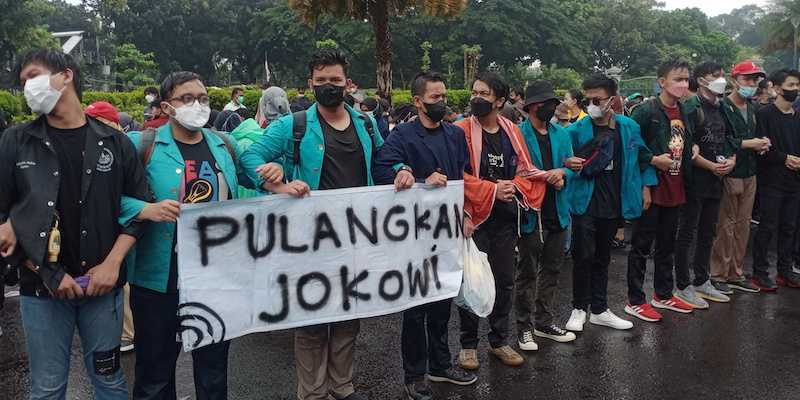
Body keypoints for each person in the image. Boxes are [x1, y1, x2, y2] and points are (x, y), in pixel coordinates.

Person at [0, 48, 152, 400]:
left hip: (104, 289)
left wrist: (112, 264)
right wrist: (47, 272)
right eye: (22, 82)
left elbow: (139, 209)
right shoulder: (16, 141)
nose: (27, 87)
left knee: (110, 381)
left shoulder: (114, 142)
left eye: (33, 76)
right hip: (41, 291)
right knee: (48, 387)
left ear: (65, 75)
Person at [241, 48, 382, 400]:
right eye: (321, 81)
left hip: (355, 238)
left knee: (349, 314)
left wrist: (403, 172)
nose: (329, 86)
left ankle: (342, 385)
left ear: (348, 84)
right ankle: (313, 391)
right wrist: (274, 181)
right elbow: (248, 155)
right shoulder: (294, 124)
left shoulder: (366, 123)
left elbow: (384, 160)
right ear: (310, 84)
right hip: (310, 241)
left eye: (335, 80)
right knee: (312, 321)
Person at [120, 71, 260, 400]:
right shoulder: (143, 145)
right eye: (187, 98)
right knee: (155, 373)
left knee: (213, 371)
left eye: (203, 98)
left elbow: (256, 177)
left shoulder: (224, 145)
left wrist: (277, 178)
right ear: (167, 107)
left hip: (215, 276)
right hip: (159, 279)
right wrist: (145, 210)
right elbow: (107, 196)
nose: (197, 105)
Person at [373, 71, 477, 400]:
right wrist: (408, 173)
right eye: (435, 98)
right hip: (413, 237)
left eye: (444, 96)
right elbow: (381, 169)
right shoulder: (402, 135)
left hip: (447, 233)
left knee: (442, 302)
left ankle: (440, 365)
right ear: (418, 101)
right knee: (415, 307)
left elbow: (463, 178)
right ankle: (414, 373)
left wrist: (466, 213)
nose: (442, 102)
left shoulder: (455, 135)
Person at [454, 72, 548, 371]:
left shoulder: (511, 131)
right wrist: (491, 189)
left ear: (501, 101)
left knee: (504, 282)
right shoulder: (461, 130)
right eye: (474, 92)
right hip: (474, 219)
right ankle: (468, 346)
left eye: (484, 93)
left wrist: (514, 186)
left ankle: (499, 341)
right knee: (472, 282)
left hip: (505, 220)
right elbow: (456, 174)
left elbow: (524, 169)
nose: (476, 98)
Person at [563, 74, 656, 331]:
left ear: (611, 100)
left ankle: (600, 309)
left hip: (615, 201)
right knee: (583, 256)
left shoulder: (628, 127)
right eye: (586, 99)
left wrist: (647, 188)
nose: (591, 104)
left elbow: (644, 158)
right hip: (585, 201)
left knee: (603, 257)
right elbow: (561, 164)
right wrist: (567, 166)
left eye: (597, 99)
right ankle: (579, 308)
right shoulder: (574, 131)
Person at [625, 60, 699, 323]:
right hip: (652, 187)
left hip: (676, 187)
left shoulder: (685, 110)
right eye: (677, 79)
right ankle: (635, 300)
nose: (682, 84)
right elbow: (630, 143)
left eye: (686, 79)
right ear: (662, 82)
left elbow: (686, 140)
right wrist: (652, 163)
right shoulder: (646, 110)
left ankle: (663, 294)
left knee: (667, 245)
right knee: (641, 246)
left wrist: (694, 149)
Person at [671, 61, 745, 307]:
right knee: (688, 232)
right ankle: (683, 285)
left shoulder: (723, 107)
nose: (721, 81)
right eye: (716, 76)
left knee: (708, 231)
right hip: (695, 180)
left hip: (717, 179)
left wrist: (732, 160)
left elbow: (733, 138)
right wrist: (710, 165)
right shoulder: (690, 107)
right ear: (701, 80)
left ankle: (702, 280)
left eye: (722, 76)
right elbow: (686, 146)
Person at [515, 80, 578, 351]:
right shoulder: (517, 134)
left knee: (552, 269)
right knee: (527, 272)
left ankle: (544, 322)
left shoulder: (561, 134)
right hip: (531, 212)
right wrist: (547, 177)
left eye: (554, 103)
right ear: (533, 106)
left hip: (558, 211)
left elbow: (571, 165)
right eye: (547, 104)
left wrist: (564, 173)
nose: (553, 107)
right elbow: (516, 171)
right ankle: (523, 328)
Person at [709, 61, 771, 294]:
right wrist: (747, 144)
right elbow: (718, 139)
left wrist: (761, 145)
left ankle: (736, 272)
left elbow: (754, 136)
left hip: (750, 171)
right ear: (735, 80)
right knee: (726, 224)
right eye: (747, 79)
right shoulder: (722, 106)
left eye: (755, 80)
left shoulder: (752, 107)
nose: (752, 84)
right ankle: (718, 273)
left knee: (744, 224)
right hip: (730, 170)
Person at [752, 68, 800, 290]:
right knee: (767, 227)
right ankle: (760, 272)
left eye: (798, 86)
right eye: (791, 85)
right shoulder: (764, 114)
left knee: (790, 227)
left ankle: (785, 270)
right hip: (771, 180)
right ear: (778, 88)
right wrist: (783, 158)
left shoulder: (797, 115)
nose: (795, 90)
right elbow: (760, 148)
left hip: (794, 181)